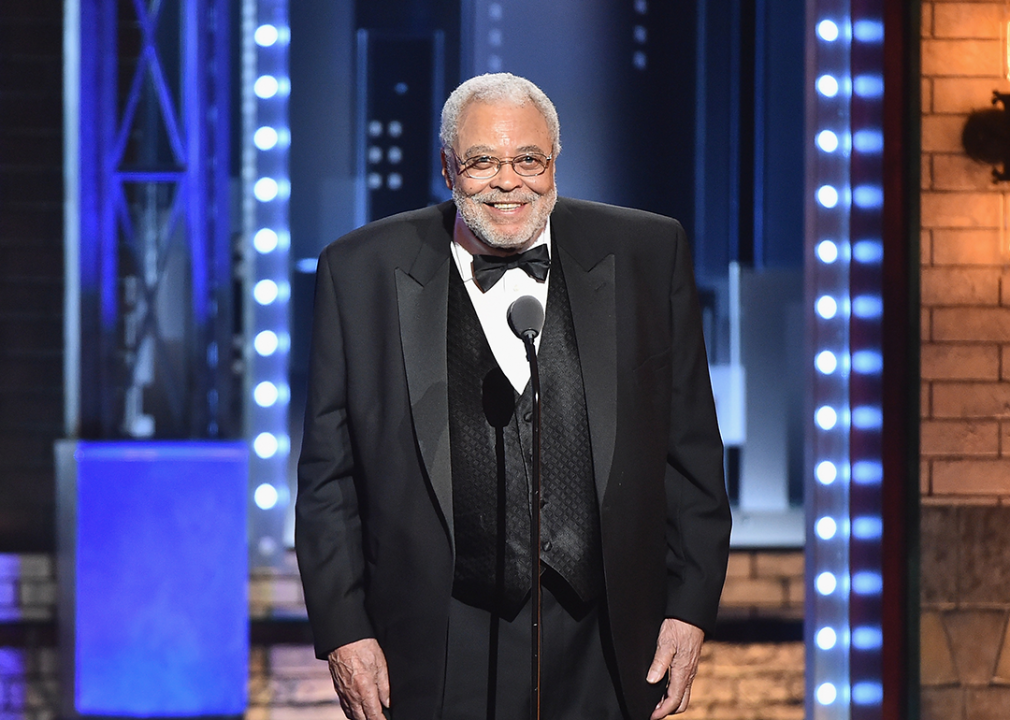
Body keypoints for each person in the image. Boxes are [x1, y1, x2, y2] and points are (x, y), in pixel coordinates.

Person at [296, 72, 731, 720]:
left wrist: (688, 610)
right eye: (482, 162)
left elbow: (691, 457)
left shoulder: (648, 253)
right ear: (448, 168)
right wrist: (344, 630)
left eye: (528, 159)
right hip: (436, 645)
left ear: (555, 162)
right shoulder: (358, 271)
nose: (508, 181)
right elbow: (328, 481)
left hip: (603, 642)